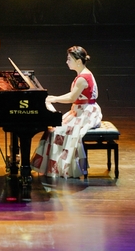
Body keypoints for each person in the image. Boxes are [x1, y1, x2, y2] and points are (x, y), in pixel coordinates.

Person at [31, 46, 103, 178]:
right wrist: (54, 98)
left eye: (69, 59)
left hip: (86, 112)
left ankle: (61, 167)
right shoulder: (83, 75)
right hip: (81, 109)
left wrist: (54, 98)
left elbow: (71, 98)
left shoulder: (83, 78)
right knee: (54, 128)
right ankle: (55, 166)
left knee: (59, 131)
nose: (67, 61)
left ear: (78, 61)